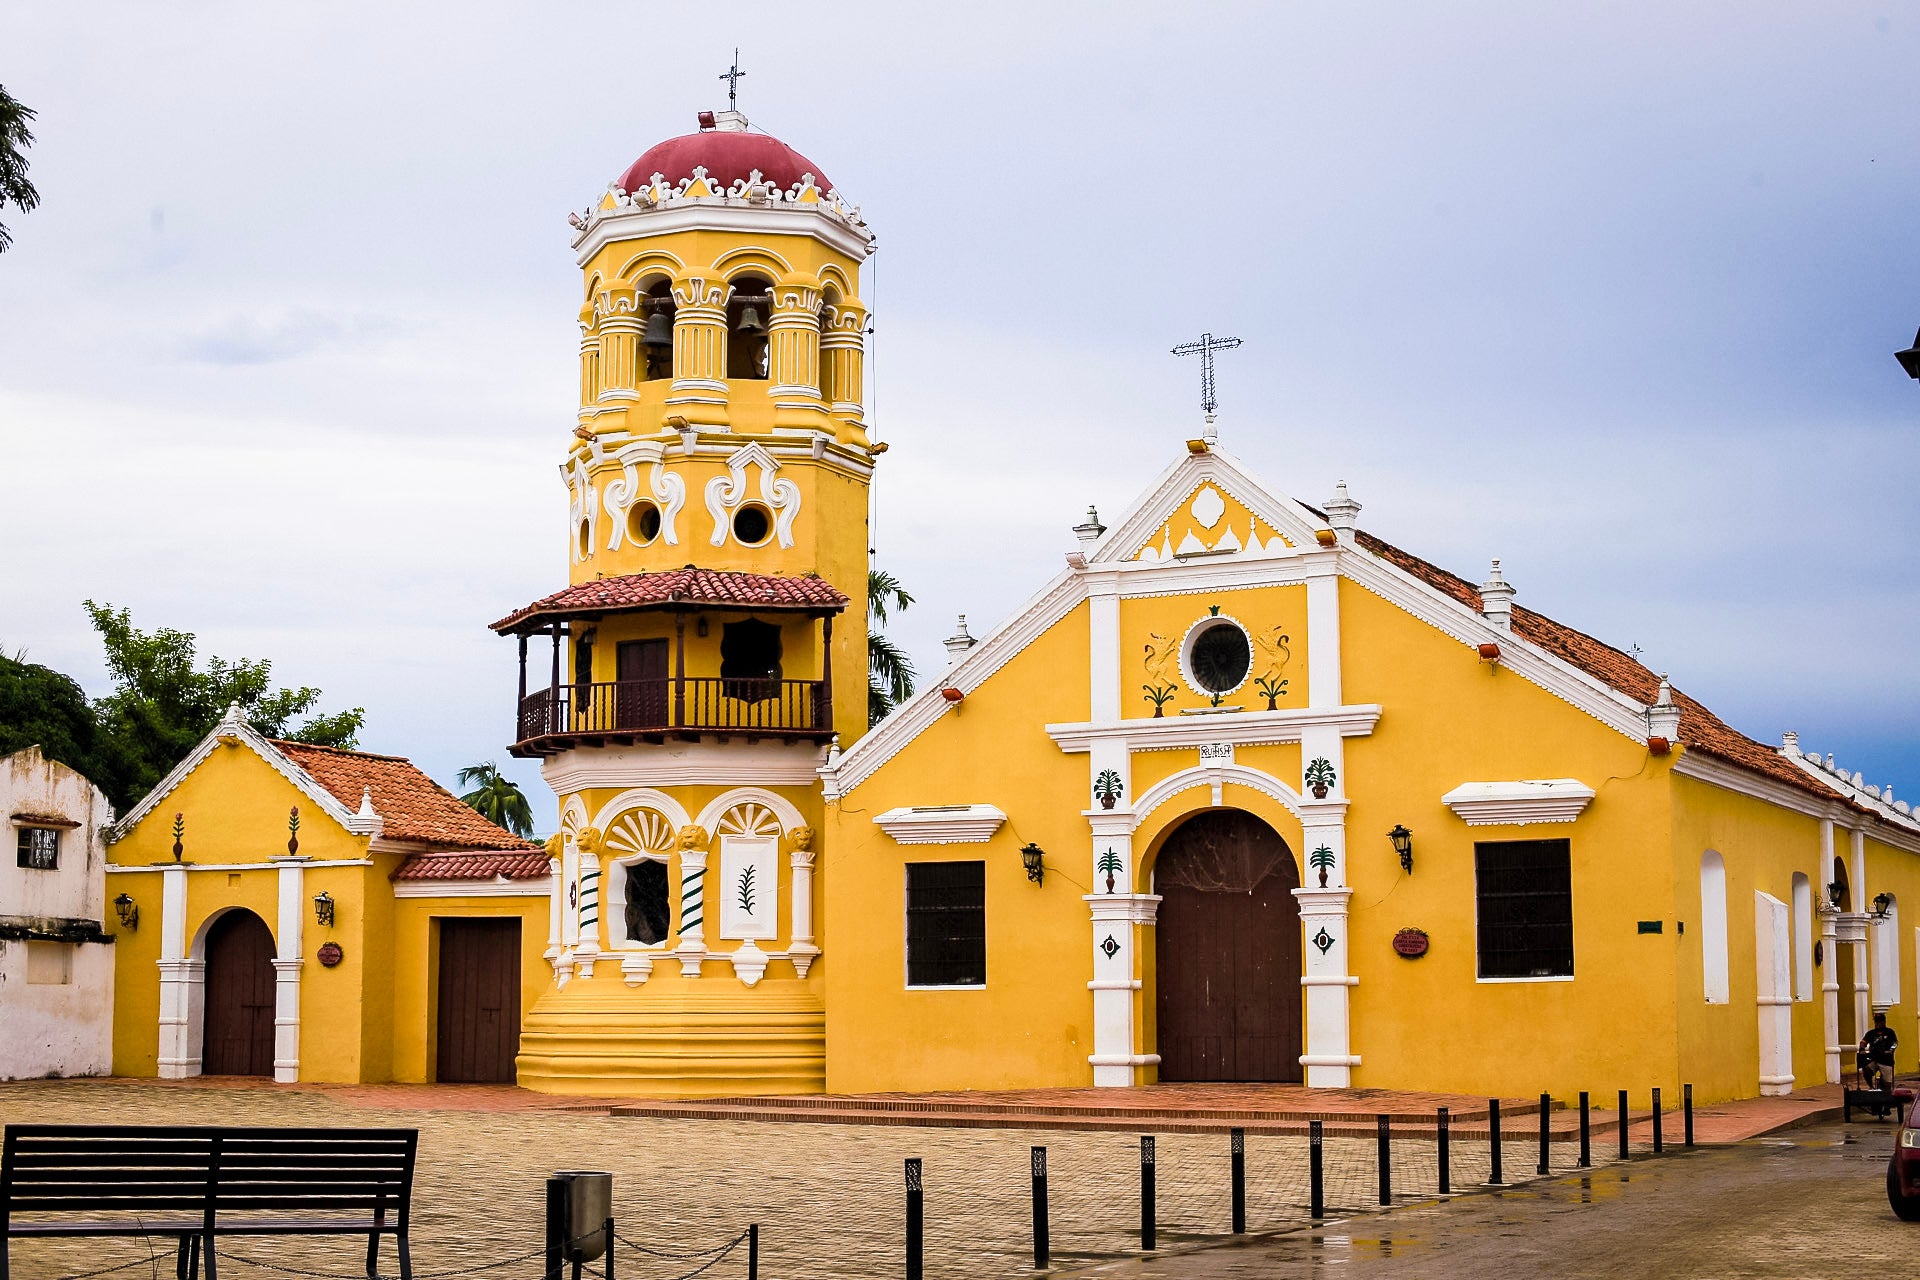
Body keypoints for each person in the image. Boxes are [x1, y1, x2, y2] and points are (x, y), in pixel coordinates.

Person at [1860, 1012, 1899, 1091]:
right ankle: (1871, 1087)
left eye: (1879, 1022)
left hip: (1886, 1060)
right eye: (1876, 1022)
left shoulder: (1890, 1032)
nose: (1877, 1024)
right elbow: (1863, 1042)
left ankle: (1883, 1090)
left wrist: (1891, 1050)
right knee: (1866, 1069)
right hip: (1874, 1059)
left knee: (1887, 1084)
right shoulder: (1871, 1033)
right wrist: (1862, 1049)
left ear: (1884, 1022)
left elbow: (1895, 1043)